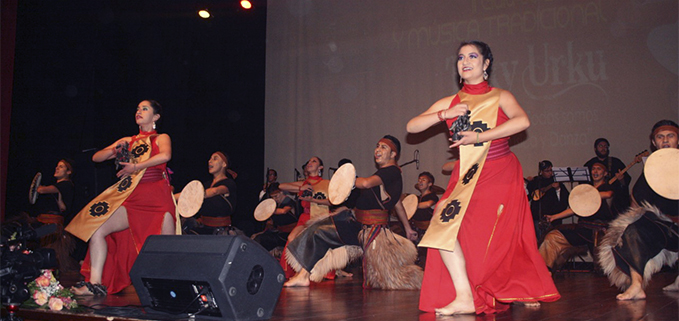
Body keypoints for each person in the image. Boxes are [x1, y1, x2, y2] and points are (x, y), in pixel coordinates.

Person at [406, 41, 559, 315]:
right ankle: (464, 295)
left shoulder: (500, 96)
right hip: (466, 174)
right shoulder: (451, 101)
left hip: (499, 170)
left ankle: (512, 288)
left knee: (499, 237)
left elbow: (522, 121)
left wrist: (479, 137)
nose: (465, 61)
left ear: (486, 63)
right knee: (441, 226)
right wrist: (444, 114)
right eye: (461, 57)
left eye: (473, 56)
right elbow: (412, 126)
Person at [66, 100, 178, 296]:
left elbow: (165, 156)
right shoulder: (129, 140)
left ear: (156, 117)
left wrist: (135, 167)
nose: (138, 111)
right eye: (137, 108)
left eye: (144, 109)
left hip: (156, 196)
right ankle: (95, 284)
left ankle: (166, 292)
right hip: (132, 196)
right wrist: (114, 149)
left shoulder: (161, 137)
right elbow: (96, 158)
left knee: (163, 248)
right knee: (98, 230)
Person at [283, 135, 421, 289]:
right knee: (318, 231)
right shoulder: (387, 174)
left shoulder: (392, 171)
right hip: (357, 222)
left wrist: (347, 179)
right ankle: (302, 276)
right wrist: (408, 228)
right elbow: (397, 202)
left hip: (370, 229)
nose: (377, 150)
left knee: (390, 279)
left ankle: (303, 275)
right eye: (377, 146)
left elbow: (367, 183)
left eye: (383, 147)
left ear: (393, 154)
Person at [598, 119, 679, 301]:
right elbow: (638, 202)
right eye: (660, 137)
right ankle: (636, 285)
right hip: (663, 227)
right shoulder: (650, 167)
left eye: (670, 136)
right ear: (653, 142)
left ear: (678, 140)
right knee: (632, 230)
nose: (665, 140)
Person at [538, 162, 614, 271]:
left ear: (605, 173)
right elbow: (574, 209)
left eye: (599, 169)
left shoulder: (607, 187)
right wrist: (554, 217)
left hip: (599, 231)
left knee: (603, 269)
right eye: (593, 169)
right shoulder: (587, 189)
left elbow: (608, 194)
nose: (595, 171)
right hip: (583, 230)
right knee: (552, 237)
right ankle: (543, 270)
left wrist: (589, 194)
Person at [277, 156, 331, 279]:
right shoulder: (304, 183)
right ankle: (296, 270)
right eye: (309, 161)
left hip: (319, 218)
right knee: (291, 238)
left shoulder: (326, 183)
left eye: (314, 161)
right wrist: (301, 188)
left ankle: (307, 272)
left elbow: (331, 202)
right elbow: (281, 186)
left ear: (320, 167)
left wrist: (311, 199)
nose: (310, 163)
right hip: (305, 217)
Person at [179, 151, 238, 235]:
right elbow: (186, 194)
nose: (209, 161)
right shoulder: (206, 185)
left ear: (224, 164)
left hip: (221, 230)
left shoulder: (229, 183)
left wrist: (195, 195)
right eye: (210, 159)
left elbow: (215, 191)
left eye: (215, 158)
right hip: (203, 227)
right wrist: (170, 197)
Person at [584, 138, 630, 216]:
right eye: (600, 146)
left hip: (615, 202)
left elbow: (626, 181)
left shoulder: (616, 162)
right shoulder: (589, 164)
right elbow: (583, 184)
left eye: (605, 146)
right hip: (593, 203)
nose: (603, 148)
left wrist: (621, 179)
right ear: (595, 149)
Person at [525, 160, 569, 243]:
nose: (550, 173)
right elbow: (528, 196)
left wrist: (557, 189)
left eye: (551, 170)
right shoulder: (535, 181)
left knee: (554, 242)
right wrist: (527, 183)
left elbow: (564, 199)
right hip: (538, 218)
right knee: (541, 241)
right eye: (547, 171)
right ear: (541, 172)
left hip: (554, 217)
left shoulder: (557, 182)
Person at [252, 183, 298, 252]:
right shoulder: (274, 203)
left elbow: (284, 211)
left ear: (281, 192)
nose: (275, 199)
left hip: (288, 233)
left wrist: (268, 211)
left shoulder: (288, 201)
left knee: (263, 239)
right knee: (255, 237)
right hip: (279, 232)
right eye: (272, 197)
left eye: (276, 196)